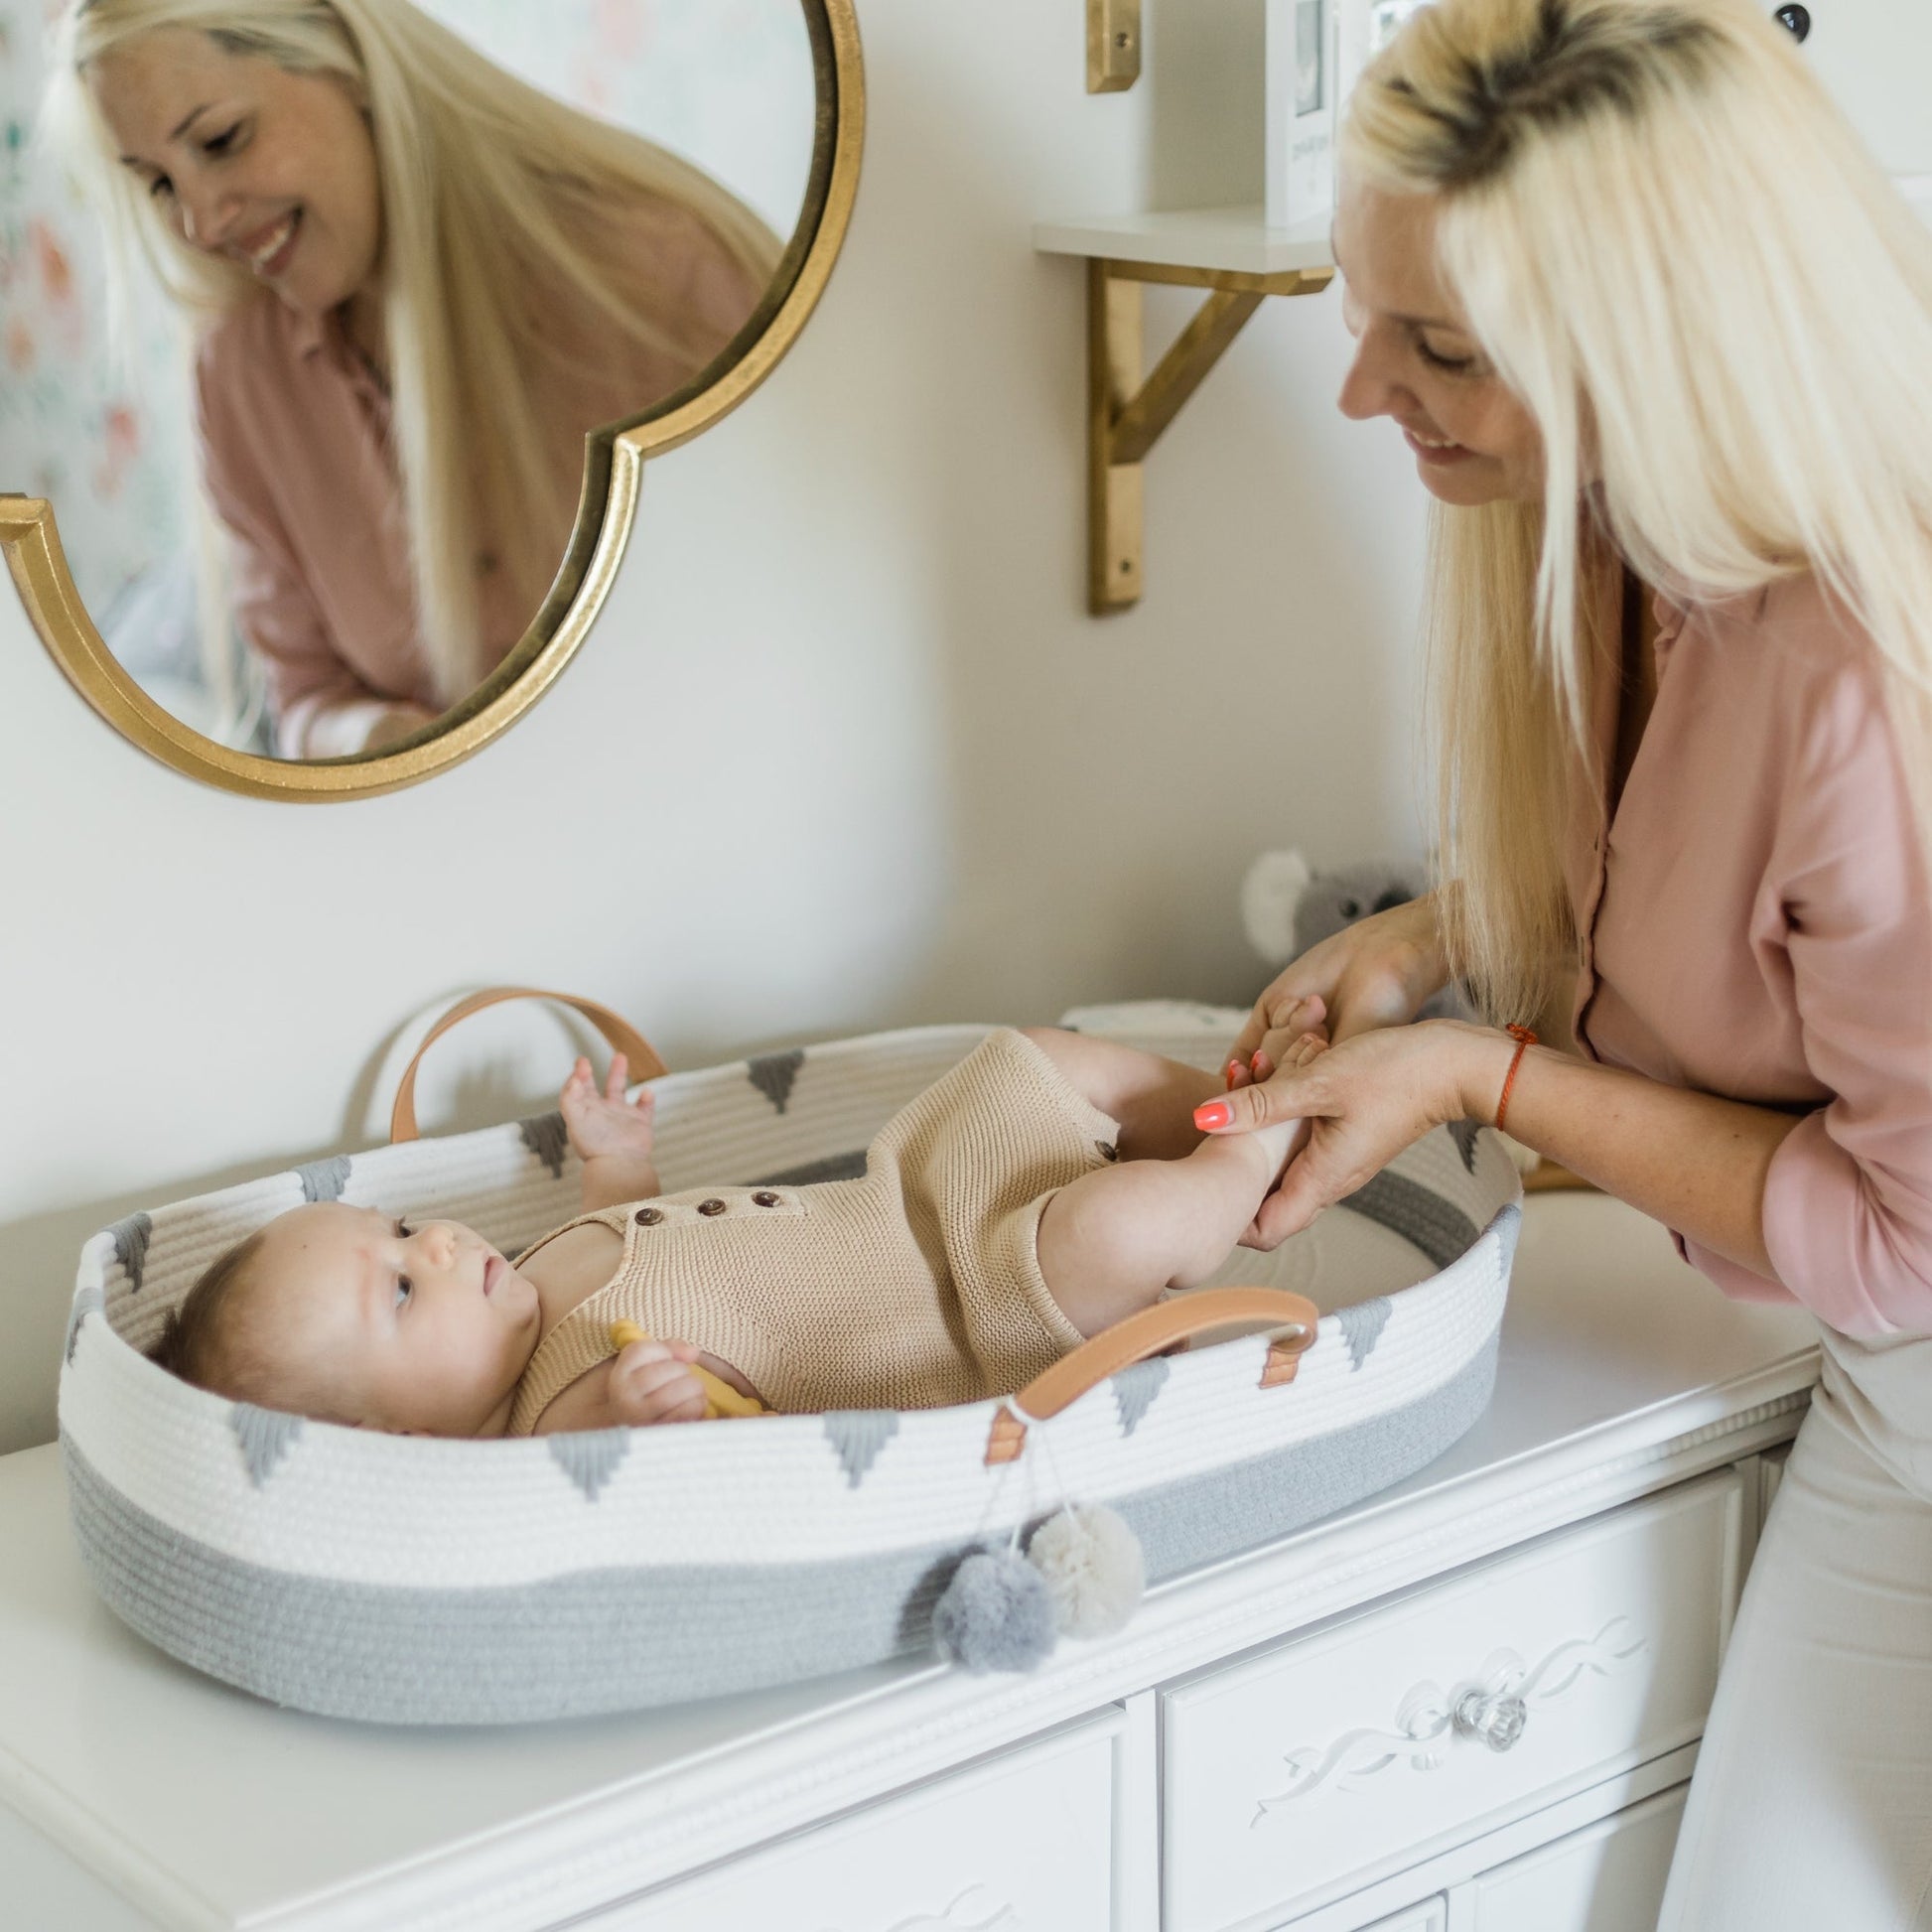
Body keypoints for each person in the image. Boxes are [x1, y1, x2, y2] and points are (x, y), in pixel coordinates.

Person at [1195, 1, 1932, 1923]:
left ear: (1650, 360)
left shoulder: (1860, 676)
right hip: (1889, 1394)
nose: (1362, 395)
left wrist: (1482, 1076)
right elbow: (1699, 874)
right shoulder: (1613, 551)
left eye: (1436, 348)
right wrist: (1444, 938)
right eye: (1368, 317)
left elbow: (1905, 1233)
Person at [44, 0, 783, 756]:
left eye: (221, 140)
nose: (201, 224)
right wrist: (378, 739)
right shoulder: (239, 378)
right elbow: (304, 699)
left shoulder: (654, 274)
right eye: (160, 185)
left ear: (349, 61)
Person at [153, 1018, 1329, 1437]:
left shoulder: (526, 1288)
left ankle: (1229, 1085)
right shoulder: (557, 1430)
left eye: (403, 1227)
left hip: (911, 1195)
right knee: (1114, 1227)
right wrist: (628, 1420)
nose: (441, 1245)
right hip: (975, 1322)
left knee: (1031, 1062)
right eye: (403, 1290)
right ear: (405, 1439)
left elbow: (631, 1249)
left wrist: (616, 1161)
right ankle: (1266, 1145)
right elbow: (689, 1466)